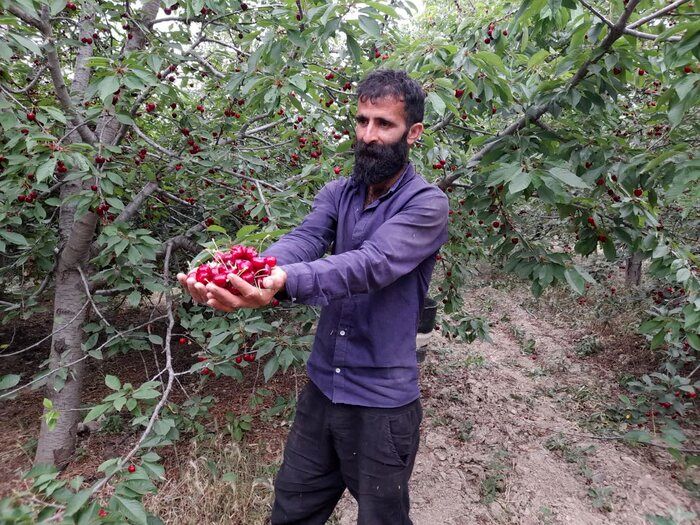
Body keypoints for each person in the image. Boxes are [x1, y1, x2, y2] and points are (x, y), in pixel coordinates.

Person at [177, 69, 449, 524]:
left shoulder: (427, 204)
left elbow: (371, 264)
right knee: (291, 510)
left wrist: (283, 280)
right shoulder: (338, 193)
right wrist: (251, 273)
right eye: (362, 121)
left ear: (413, 133)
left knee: (383, 518)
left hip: (381, 403)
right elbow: (304, 239)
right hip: (322, 390)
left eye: (384, 124)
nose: (368, 135)